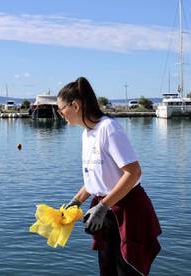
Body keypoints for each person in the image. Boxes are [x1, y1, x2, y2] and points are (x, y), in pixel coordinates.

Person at [57, 77, 161, 276]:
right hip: (105, 213)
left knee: (127, 270)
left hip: (128, 211)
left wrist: (103, 206)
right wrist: (75, 202)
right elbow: (95, 179)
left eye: (61, 110)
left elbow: (134, 172)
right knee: (107, 271)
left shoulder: (108, 128)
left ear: (76, 105)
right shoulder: (87, 134)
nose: (61, 115)